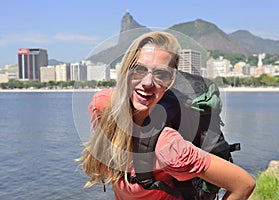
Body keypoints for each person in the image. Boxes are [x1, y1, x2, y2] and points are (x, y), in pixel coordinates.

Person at [77, 31, 255, 200]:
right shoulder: (101, 105)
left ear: (171, 81)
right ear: (125, 70)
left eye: (160, 74)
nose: (147, 83)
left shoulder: (168, 146)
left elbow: (244, 184)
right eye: (139, 69)